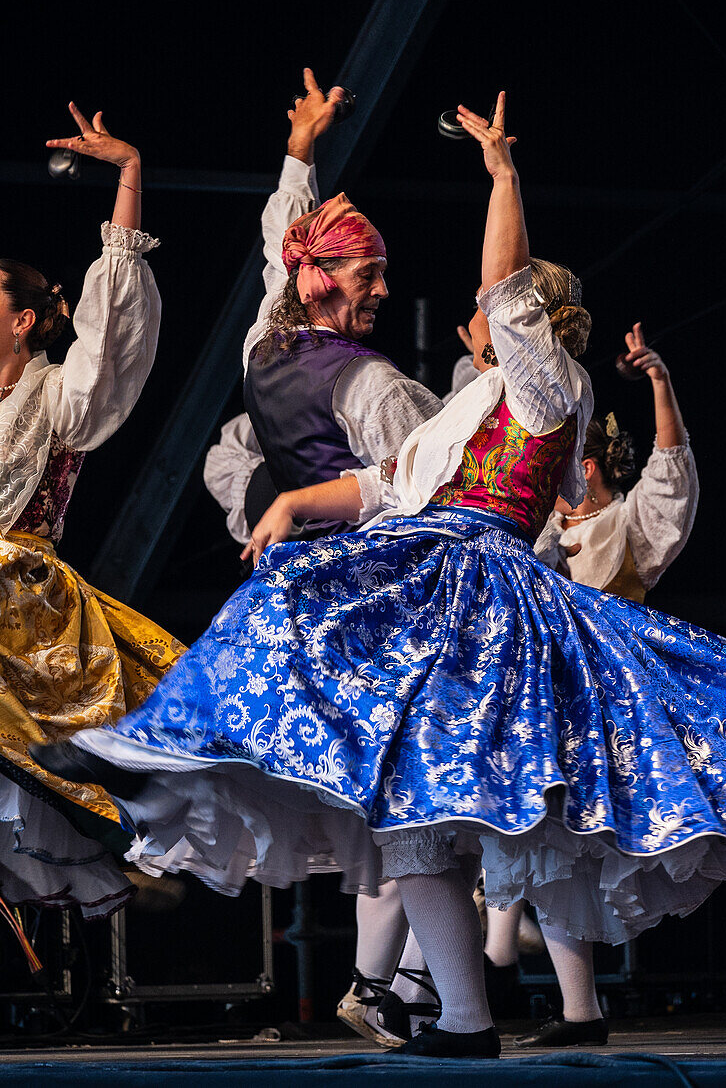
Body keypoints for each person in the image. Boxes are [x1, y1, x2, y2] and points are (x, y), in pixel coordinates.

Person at [34, 93, 726, 1061]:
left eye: (508, 309)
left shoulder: (546, 383)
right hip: (439, 565)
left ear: (537, 316)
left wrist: (501, 175)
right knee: (401, 797)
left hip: (477, 589)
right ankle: (458, 1016)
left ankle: (158, 758)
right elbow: (383, 481)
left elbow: (500, 292)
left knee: (383, 737)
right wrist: (293, 505)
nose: (478, 318)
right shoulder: (476, 397)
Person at [204, 68, 444, 1045]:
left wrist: (301, 154)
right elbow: (425, 487)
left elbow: (282, 252)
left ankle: (408, 988)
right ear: (327, 281)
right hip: (384, 605)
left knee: (415, 805)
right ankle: (390, 986)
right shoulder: (373, 382)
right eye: (368, 275)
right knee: (425, 801)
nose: (383, 289)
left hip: (322, 608)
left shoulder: (267, 346)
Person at [0, 102, 184, 919]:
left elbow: (110, 335)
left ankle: (100, 867)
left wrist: (130, 174)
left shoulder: (53, 395)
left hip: (22, 595)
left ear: (23, 321)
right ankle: (82, 874)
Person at [498, 329, 698, 1048]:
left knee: (576, 844)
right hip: (548, 707)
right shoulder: (529, 535)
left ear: (580, 464)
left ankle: (487, 968)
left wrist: (657, 382)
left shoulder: (628, 527)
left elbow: (671, 472)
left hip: (614, 708)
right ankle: (577, 1011)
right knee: (542, 848)